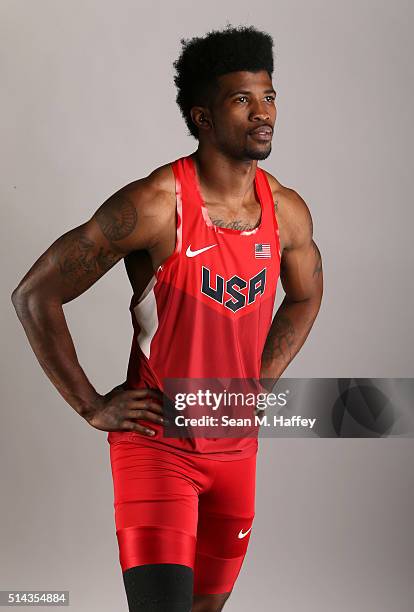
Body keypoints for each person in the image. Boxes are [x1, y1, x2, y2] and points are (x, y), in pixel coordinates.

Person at [11, 24, 323, 612]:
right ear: (202, 118)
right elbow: (35, 295)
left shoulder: (286, 211)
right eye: (242, 100)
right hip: (158, 449)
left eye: (270, 97)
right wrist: (90, 405)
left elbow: (305, 295)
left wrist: (263, 377)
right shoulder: (156, 205)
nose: (264, 114)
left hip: (237, 451)